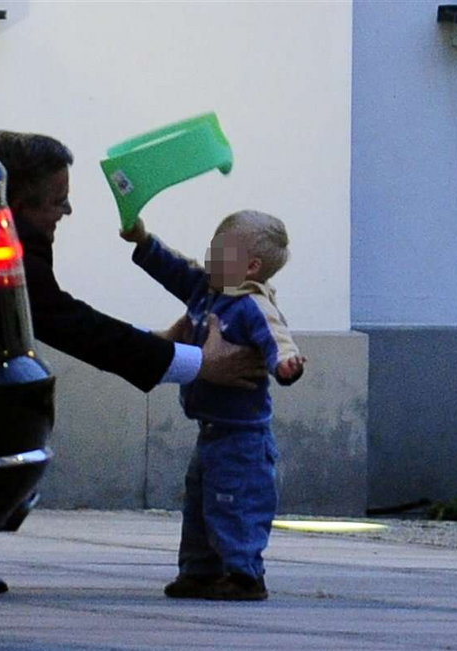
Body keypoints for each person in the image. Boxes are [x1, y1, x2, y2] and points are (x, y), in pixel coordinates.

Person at [0, 132, 269, 599]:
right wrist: (197, 362)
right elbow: (67, 320)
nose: (67, 212)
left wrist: (160, 346)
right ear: (17, 202)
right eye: (57, 201)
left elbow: (63, 316)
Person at [119, 209, 306, 601]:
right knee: (200, 504)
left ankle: (244, 574)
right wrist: (142, 240)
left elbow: (277, 338)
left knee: (235, 504)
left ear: (251, 266)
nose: (208, 258)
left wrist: (285, 363)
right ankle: (198, 571)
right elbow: (175, 269)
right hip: (210, 430)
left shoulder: (253, 305)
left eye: (220, 252)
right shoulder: (207, 291)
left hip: (244, 437)